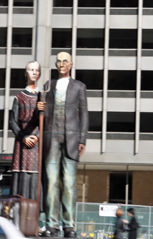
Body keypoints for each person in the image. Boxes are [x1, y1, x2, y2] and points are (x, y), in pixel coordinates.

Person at [38, 52, 89, 238]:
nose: (61, 64)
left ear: (71, 64)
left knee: (69, 184)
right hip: (51, 138)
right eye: (58, 61)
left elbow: (84, 113)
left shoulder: (79, 86)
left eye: (65, 61)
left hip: (71, 138)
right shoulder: (48, 85)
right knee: (51, 182)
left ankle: (69, 226)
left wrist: (82, 139)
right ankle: (51, 225)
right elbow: (41, 111)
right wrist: (39, 107)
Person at [9, 61, 41, 200]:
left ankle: (33, 211)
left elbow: (45, 121)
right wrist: (23, 137)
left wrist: (37, 136)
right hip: (21, 143)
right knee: (20, 175)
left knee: (34, 176)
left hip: (36, 143)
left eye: (36, 70)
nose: (34, 72)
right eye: (31, 70)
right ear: (25, 73)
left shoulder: (43, 97)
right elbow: (12, 122)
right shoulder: (18, 98)